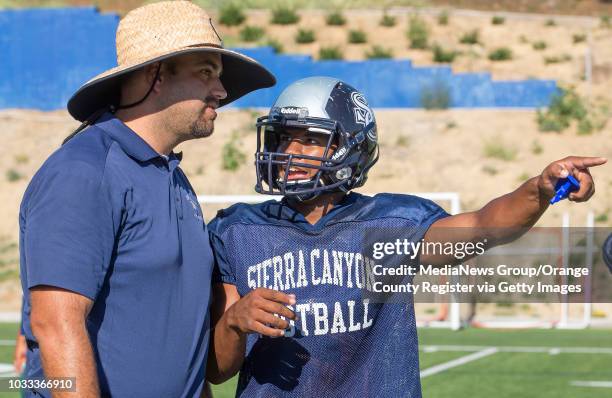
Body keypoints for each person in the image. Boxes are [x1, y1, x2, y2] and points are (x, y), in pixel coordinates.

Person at [205, 76, 606, 397]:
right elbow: (218, 371)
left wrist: (538, 189)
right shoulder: (236, 230)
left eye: (309, 138)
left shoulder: (391, 222)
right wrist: (234, 324)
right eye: (282, 137)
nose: (290, 150)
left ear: (351, 147)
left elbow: (484, 228)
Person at [18, 1, 274, 397]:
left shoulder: (173, 178)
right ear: (154, 75)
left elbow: (183, 361)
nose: (221, 92)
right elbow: (55, 324)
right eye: (206, 72)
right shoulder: (84, 171)